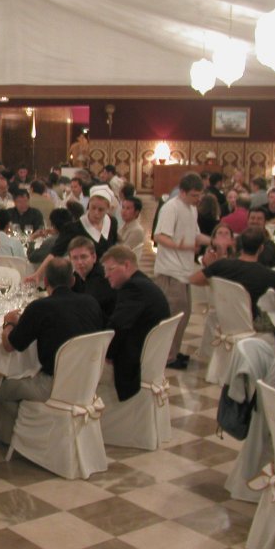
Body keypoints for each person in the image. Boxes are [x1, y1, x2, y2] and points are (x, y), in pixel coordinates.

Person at [0, 258, 103, 403]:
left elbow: (9, 345)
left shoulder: (40, 307)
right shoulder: (91, 303)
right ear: (72, 280)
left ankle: (24, 416)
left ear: (46, 281)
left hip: (53, 387)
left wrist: (9, 323)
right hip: (88, 383)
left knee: (0, 389)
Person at [99, 245, 170, 402]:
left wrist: (107, 354)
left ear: (126, 265)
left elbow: (118, 326)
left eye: (110, 269)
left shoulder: (133, 288)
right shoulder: (143, 282)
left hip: (135, 361)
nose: (106, 275)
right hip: (150, 354)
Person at [153, 172, 209, 369]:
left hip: (184, 270)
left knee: (184, 315)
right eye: (194, 195)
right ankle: (167, 356)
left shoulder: (191, 209)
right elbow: (159, 236)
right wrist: (181, 246)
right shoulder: (171, 208)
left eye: (199, 195)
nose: (198, 199)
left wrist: (213, 241)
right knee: (172, 316)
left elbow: (195, 235)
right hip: (170, 271)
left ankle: (174, 351)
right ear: (182, 192)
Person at [190, 227, 275, 320]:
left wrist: (215, 283)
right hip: (250, 321)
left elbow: (193, 279)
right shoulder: (265, 274)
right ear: (261, 248)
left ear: (241, 246)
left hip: (223, 319)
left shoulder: (221, 265)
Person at [68, 236, 116, 321]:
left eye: (83, 257)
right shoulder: (76, 276)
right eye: (75, 258)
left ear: (94, 257)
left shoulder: (102, 277)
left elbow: (86, 308)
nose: (79, 262)